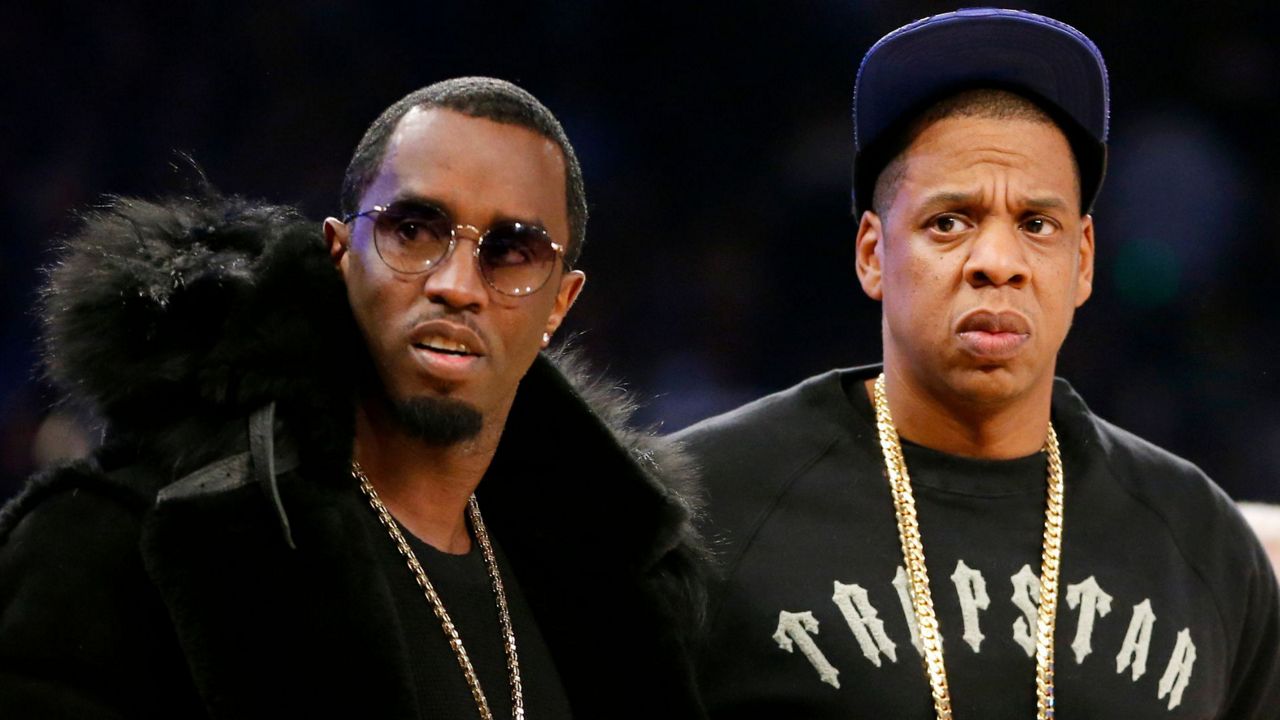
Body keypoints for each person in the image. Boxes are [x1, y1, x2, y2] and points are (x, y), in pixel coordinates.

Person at [0, 77, 709, 718]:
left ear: (561, 303)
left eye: (511, 252)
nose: (456, 285)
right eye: (413, 231)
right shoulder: (126, 540)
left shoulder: (614, 592)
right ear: (341, 255)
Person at [678, 9, 1280, 718]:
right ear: (873, 253)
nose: (997, 263)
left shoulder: (1201, 541)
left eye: (1036, 225)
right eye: (949, 222)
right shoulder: (699, 510)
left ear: (1081, 261)